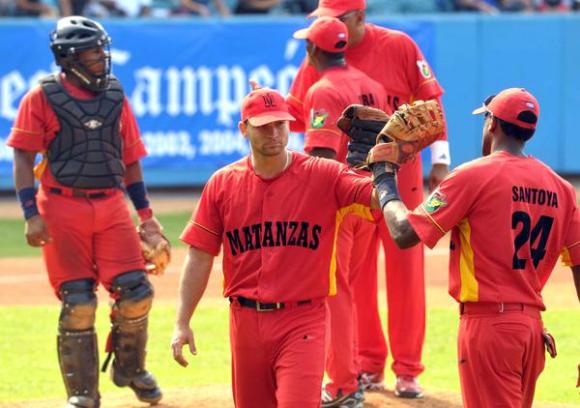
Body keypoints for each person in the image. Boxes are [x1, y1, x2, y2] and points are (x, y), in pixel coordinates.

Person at [355, 87, 580, 408]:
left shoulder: (473, 176)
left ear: (492, 124)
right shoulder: (562, 189)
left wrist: (384, 177)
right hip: (531, 332)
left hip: (489, 330)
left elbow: (403, 233)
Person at [171, 87, 382, 408]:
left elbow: (374, 197)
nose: (273, 133)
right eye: (263, 126)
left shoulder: (323, 174)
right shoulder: (223, 184)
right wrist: (182, 321)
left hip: (303, 320)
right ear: (244, 129)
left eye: (280, 124)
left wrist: (385, 166)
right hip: (244, 323)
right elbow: (200, 253)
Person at [287, 0, 450, 397]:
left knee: (405, 276)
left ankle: (407, 369)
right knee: (356, 279)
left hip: (402, 177)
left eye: (335, 17)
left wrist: (441, 160)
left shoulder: (398, 46)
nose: (327, 24)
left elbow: (433, 105)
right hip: (353, 186)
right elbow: (299, 113)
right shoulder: (320, 61)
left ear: (358, 17)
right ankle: (368, 365)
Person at [7, 16, 163, 408]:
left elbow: (131, 160)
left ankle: (129, 368)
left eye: (100, 49)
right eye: (93, 51)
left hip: (111, 204)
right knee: (78, 301)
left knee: (136, 293)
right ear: (70, 57)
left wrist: (146, 217)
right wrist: (30, 212)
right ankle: (83, 395)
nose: (101, 57)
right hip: (60, 206)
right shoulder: (40, 97)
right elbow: (23, 158)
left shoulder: (114, 95)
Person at [292, 16, 388, 407]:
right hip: (370, 197)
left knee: (333, 293)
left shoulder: (323, 89)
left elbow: (319, 155)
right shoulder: (373, 85)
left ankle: (343, 385)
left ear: (314, 51)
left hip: (340, 202)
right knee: (347, 291)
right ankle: (351, 375)